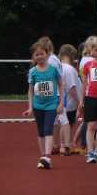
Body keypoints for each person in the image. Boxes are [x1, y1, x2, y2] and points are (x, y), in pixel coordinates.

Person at [22, 41, 63, 169]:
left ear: (47, 54)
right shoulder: (33, 71)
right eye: (36, 55)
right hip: (38, 105)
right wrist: (30, 107)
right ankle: (43, 157)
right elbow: (30, 90)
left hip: (51, 105)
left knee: (48, 129)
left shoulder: (53, 69)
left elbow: (61, 85)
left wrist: (61, 103)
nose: (39, 56)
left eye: (41, 54)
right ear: (33, 57)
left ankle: (47, 157)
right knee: (40, 131)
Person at [56, 44, 81, 156]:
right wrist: (79, 101)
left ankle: (66, 144)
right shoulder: (69, 69)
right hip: (69, 102)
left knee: (65, 123)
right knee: (67, 124)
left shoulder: (60, 67)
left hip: (65, 100)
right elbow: (72, 88)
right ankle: (64, 145)